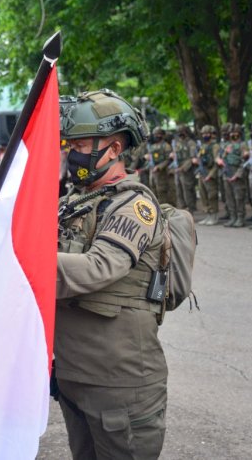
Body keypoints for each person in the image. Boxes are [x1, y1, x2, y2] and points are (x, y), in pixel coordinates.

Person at [55, 90, 168, 459]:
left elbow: (99, 267)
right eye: (69, 144)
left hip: (120, 383)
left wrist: (14, 262)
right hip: (74, 375)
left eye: (83, 143)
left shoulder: (134, 206)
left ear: (115, 148)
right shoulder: (69, 203)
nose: (73, 153)